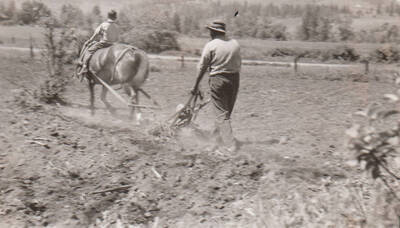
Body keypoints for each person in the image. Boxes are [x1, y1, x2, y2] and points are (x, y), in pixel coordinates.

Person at [192, 20, 241, 153]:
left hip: (218, 80)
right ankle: (215, 138)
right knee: (225, 113)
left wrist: (196, 86)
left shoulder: (211, 45)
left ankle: (231, 146)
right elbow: (238, 64)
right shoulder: (235, 44)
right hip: (234, 80)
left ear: (213, 32)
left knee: (221, 114)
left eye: (210, 31)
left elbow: (202, 67)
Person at [78, 10, 120, 77]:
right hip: (113, 45)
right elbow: (117, 38)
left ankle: (85, 67)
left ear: (108, 16)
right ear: (115, 17)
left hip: (104, 44)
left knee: (89, 51)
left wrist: (90, 40)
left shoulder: (104, 24)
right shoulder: (117, 27)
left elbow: (95, 34)